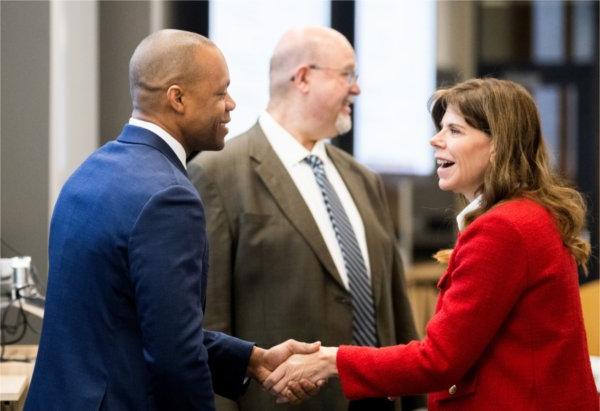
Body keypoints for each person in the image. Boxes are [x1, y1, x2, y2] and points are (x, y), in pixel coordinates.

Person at [25, 29, 320, 411]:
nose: (230, 104)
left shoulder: (89, 171)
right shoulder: (169, 196)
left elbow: (127, 323)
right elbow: (175, 356)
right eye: (220, 93)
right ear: (177, 98)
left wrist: (249, 359)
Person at [264, 78, 599, 411]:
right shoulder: (528, 215)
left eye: (454, 130)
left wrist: (331, 360)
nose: (435, 140)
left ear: (498, 143)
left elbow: (439, 361)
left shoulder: (504, 228)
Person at [188, 26, 422, 411]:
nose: (356, 89)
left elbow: (397, 312)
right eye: (347, 74)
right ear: (303, 77)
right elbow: (210, 324)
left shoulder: (364, 180)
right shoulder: (217, 174)